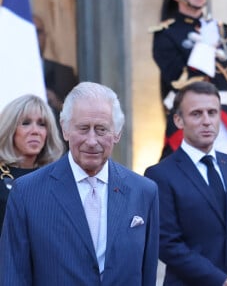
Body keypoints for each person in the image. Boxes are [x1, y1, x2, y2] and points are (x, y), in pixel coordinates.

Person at [0, 82, 159, 286]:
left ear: (117, 134)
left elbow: (147, 275)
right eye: (83, 129)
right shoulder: (26, 192)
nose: (92, 141)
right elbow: (14, 275)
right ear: (65, 130)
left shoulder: (144, 191)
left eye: (101, 129)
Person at [144, 82, 227, 286]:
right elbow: (168, 243)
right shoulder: (160, 175)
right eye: (196, 114)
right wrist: (222, 281)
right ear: (178, 120)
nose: (207, 121)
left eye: (212, 112)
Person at [150, 0, 227, 161]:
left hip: (226, 124)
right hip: (187, 125)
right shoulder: (166, 34)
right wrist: (204, 48)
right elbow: (179, 81)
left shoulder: (222, 31)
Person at [0, 94, 64, 234]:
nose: (35, 131)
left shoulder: (58, 177)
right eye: (26, 123)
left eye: (42, 124)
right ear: (10, 129)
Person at [33, 14, 78, 128]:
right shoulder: (7, 74)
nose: (33, 36)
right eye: (29, 31)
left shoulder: (64, 74)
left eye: (38, 32)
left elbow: (80, 116)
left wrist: (57, 103)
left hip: (58, 142)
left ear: (45, 36)